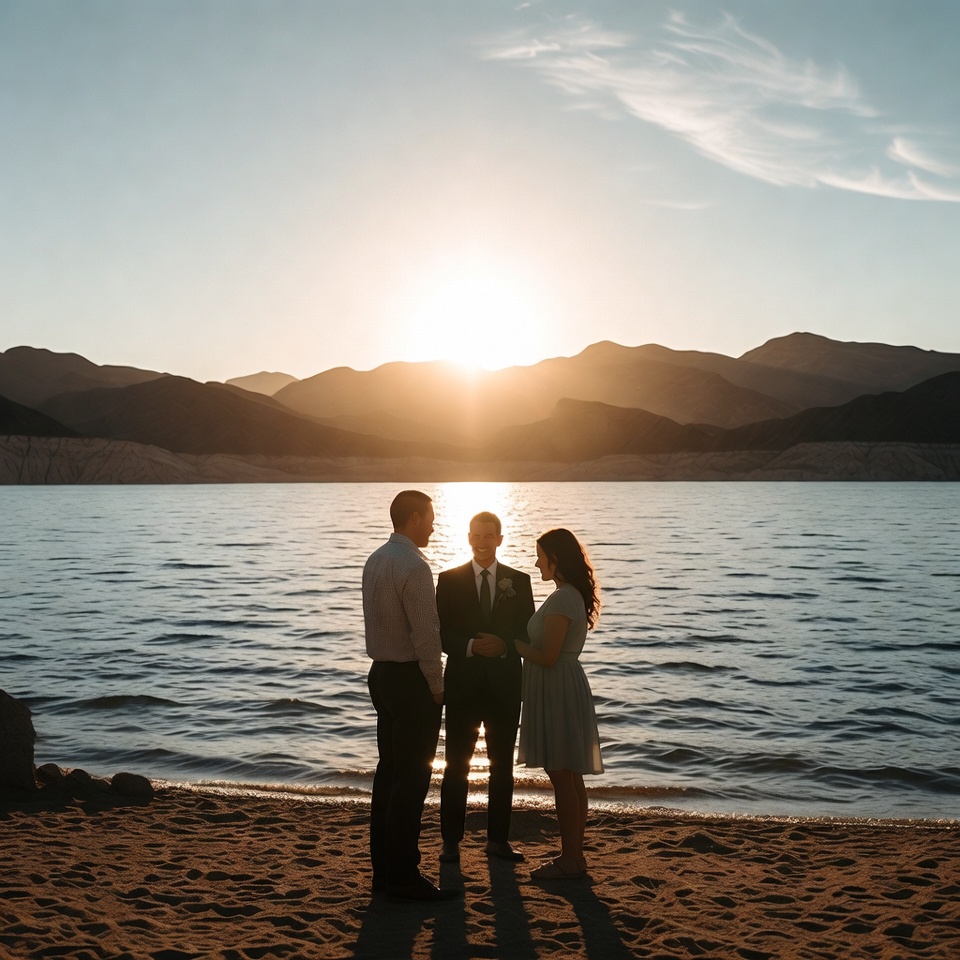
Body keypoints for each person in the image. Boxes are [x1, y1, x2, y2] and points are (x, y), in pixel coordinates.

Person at [361, 490, 460, 901]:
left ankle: (383, 871)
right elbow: (426, 636)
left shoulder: (376, 559)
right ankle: (403, 874)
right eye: (431, 518)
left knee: (389, 774)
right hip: (408, 680)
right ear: (414, 517)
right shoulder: (415, 567)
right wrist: (438, 688)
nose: (434, 525)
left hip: (381, 675)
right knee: (412, 778)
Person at [436, 511, 535, 864]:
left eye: (488, 535)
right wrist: (470, 646)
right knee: (455, 765)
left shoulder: (519, 581)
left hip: (505, 687)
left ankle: (498, 841)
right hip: (463, 685)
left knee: (502, 766)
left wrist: (504, 645)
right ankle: (450, 841)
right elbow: (441, 632)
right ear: (468, 538)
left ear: (500, 539)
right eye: (476, 535)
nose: (482, 542)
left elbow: (527, 631)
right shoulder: (448, 580)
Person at [514, 528, 603, 880]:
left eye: (540, 555)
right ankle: (575, 857)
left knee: (563, 776)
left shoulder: (564, 597)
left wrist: (511, 644)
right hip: (561, 686)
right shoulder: (567, 595)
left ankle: (570, 858)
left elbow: (548, 656)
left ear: (556, 557)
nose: (536, 562)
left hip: (557, 687)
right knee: (569, 775)